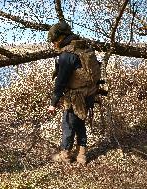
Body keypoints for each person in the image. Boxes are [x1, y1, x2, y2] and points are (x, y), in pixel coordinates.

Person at [47, 22, 101, 164]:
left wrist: (53, 103)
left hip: (76, 97)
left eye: (54, 40)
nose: (53, 44)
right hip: (90, 92)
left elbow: (61, 82)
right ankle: (82, 155)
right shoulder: (84, 46)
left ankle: (65, 155)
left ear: (61, 37)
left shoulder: (67, 55)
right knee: (80, 122)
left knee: (68, 124)